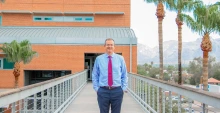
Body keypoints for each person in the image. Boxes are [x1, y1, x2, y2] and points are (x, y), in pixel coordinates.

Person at [92, 38, 128, 113]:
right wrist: (96, 88)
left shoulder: (120, 58)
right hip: (103, 91)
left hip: (117, 91)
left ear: (114, 46)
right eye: (108, 44)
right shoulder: (99, 59)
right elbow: (95, 74)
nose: (110, 46)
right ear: (104, 46)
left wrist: (123, 88)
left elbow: (124, 74)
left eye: (111, 45)